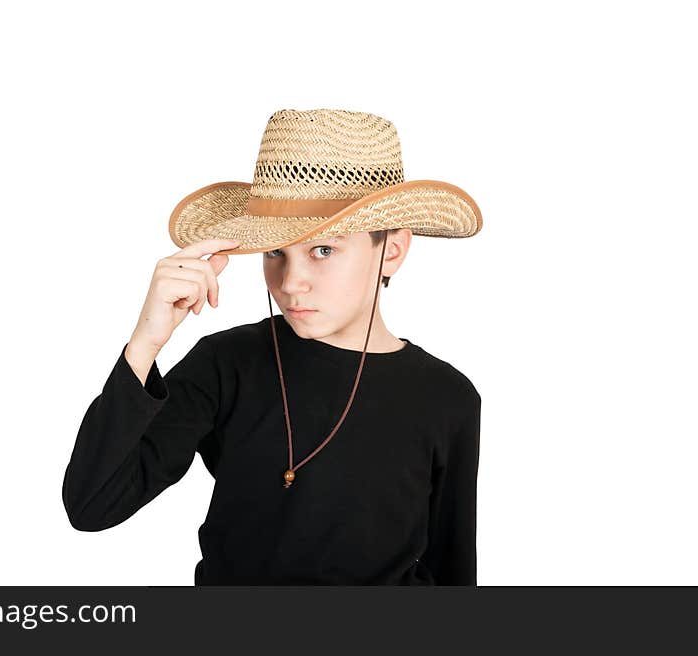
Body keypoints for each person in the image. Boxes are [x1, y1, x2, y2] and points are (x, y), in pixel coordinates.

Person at [62, 108, 483, 585]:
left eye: (324, 250)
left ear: (391, 249)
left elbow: (453, 568)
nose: (292, 282)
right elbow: (92, 505)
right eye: (275, 251)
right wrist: (146, 343)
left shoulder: (447, 397)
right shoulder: (227, 365)